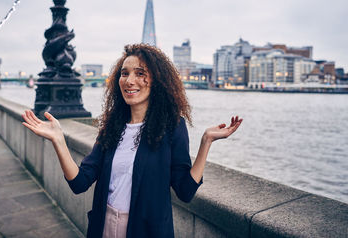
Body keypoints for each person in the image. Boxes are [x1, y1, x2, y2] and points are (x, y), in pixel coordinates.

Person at [22, 44, 242, 238]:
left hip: (147, 231)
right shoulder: (111, 127)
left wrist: (205, 143)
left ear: (157, 81)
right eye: (124, 73)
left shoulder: (172, 127)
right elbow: (79, 183)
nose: (130, 81)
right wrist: (58, 140)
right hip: (104, 227)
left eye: (140, 73)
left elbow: (185, 191)